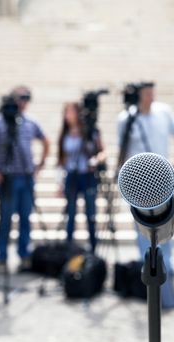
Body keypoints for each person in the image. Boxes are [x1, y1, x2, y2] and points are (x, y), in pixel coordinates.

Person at [117, 83, 174, 309]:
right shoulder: (125, 118)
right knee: (144, 237)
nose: (151, 97)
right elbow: (122, 149)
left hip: (163, 182)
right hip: (138, 188)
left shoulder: (163, 111)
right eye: (147, 93)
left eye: (152, 93)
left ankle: (166, 277)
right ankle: (152, 283)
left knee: (165, 231)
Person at [0, 86, 50, 271]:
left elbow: (46, 140)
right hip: (7, 179)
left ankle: (24, 255)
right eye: (20, 98)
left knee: (25, 218)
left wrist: (40, 165)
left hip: (26, 177)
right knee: (5, 219)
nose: (23, 102)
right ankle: (1, 257)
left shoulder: (29, 121)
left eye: (27, 98)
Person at [57, 102, 106, 253]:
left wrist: (96, 160)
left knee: (90, 213)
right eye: (67, 113)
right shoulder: (65, 134)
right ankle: (68, 248)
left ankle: (93, 248)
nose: (69, 116)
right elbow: (61, 160)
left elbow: (102, 151)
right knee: (70, 214)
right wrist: (59, 182)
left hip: (88, 175)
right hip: (71, 176)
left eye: (72, 112)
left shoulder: (90, 132)